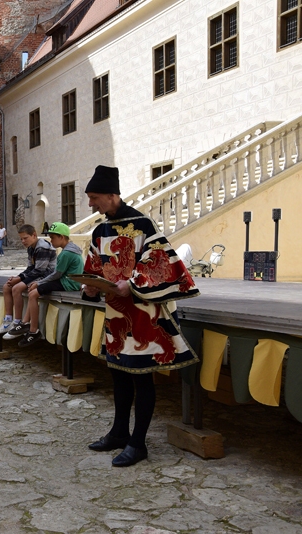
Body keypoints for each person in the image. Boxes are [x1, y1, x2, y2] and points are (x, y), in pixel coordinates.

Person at [82, 165, 199, 467]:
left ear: (111, 195)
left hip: (143, 315)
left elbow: (161, 263)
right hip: (115, 317)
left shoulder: (143, 225)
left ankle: (138, 443)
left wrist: (131, 284)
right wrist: (91, 287)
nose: (91, 204)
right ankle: (119, 433)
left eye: (94, 198)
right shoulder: (100, 230)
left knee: (142, 380)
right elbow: (94, 266)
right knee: (118, 376)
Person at [5, 222, 84, 347]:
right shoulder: (70, 250)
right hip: (68, 281)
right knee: (33, 291)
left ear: (62, 237)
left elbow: (56, 274)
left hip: (67, 283)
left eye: (52, 237)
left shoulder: (66, 253)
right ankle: (25, 323)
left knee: (33, 294)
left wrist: (39, 282)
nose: (51, 240)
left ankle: (33, 330)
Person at [0, 225, 56, 335]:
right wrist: (18, 277)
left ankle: (18, 323)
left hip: (47, 276)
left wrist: (19, 280)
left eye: (25, 238)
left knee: (17, 288)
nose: (23, 241)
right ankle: (8, 320)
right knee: (6, 286)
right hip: (37, 274)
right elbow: (30, 268)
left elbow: (40, 271)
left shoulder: (42, 248)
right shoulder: (31, 247)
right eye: (21, 239)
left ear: (34, 235)